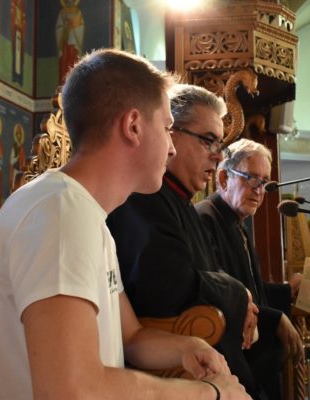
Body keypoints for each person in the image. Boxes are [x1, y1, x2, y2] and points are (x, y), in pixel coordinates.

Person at [0, 49, 249, 400]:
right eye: (167, 129)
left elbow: (131, 337)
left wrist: (187, 347)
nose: (171, 149)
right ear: (133, 126)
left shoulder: (87, 216)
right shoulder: (60, 215)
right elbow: (70, 391)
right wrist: (208, 393)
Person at [107, 84, 265, 399]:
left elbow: (208, 271)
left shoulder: (180, 202)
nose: (218, 155)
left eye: (220, 144)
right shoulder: (144, 198)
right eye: (208, 140)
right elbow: (171, 285)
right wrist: (238, 292)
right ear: (170, 134)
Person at [195, 139, 304, 400]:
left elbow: (248, 285)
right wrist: (275, 318)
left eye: (264, 182)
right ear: (224, 178)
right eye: (251, 178)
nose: (259, 190)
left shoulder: (235, 221)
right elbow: (220, 292)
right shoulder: (205, 218)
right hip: (229, 360)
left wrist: (286, 291)